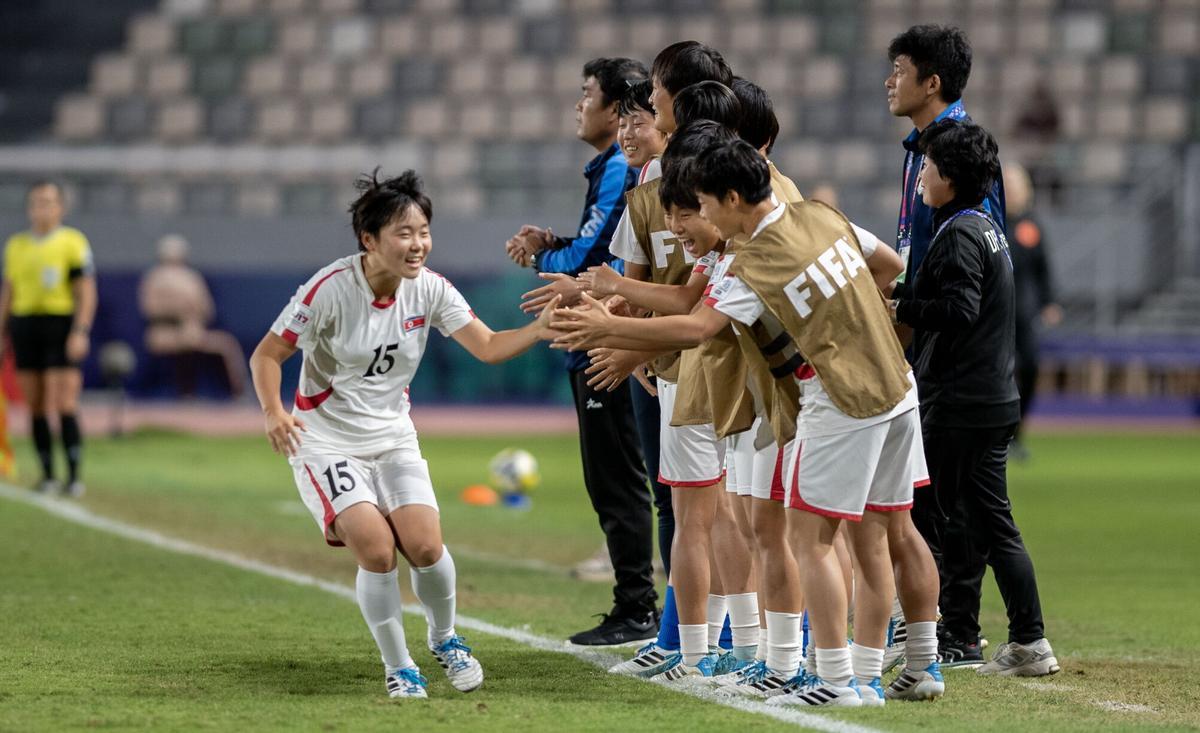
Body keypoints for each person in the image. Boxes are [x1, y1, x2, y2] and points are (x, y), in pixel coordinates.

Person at [553, 140, 943, 707]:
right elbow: (890, 267)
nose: (702, 218)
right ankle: (869, 677)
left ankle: (835, 681)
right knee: (877, 538)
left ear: (734, 198)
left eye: (706, 205)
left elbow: (695, 328)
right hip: (898, 388)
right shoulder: (822, 215)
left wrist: (604, 331)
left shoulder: (751, 263)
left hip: (839, 400)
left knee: (811, 540)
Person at [248, 170, 559, 699]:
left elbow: (485, 346)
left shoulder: (431, 288)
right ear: (369, 241)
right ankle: (400, 666)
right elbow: (267, 353)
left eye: (423, 231)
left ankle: (446, 638)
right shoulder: (328, 289)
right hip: (326, 441)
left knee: (425, 545)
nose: (417, 245)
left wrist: (538, 329)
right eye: (403, 233)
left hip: (393, 437)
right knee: (376, 549)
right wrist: (274, 413)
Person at [889, 121, 1059, 677]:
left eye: (931, 168)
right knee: (993, 523)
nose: (922, 178)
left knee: (926, 519)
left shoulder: (960, 233)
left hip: (962, 400)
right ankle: (1029, 641)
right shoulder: (986, 227)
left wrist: (903, 310)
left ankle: (927, 639)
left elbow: (959, 309)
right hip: (992, 398)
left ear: (952, 177)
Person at [504, 57, 661, 647]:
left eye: (587, 94)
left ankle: (638, 608)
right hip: (602, 337)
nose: (579, 104)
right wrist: (554, 243)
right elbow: (593, 247)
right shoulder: (610, 168)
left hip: (611, 340)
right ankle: (642, 606)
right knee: (617, 480)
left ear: (620, 108)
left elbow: (591, 263)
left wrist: (548, 256)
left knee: (620, 480)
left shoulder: (624, 168)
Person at [885, 24, 1005, 295]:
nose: (889, 82)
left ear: (932, 83)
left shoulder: (965, 152)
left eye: (899, 71)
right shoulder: (917, 147)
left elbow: (984, 255)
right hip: (924, 319)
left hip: (953, 326)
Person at [0, 181, 96, 497]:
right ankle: (47, 474)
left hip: (59, 324)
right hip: (25, 325)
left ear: (60, 207)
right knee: (35, 404)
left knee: (64, 400)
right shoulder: (16, 246)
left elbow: (85, 291)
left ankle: (73, 475)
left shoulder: (72, 242)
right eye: (36, 202)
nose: (41, 207)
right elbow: (9, 292)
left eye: (48, 201)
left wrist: (80, 330)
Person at [139, 234, 248, 397]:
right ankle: (186, 393)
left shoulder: (191, 277)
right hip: (163, 333)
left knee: (226, 345)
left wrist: (191, 316)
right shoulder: (155, 277)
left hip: (192, 331)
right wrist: (178, 312)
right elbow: (149, 309)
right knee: (187, 348)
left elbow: (206, 309)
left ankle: (237, 393)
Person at [1003, 162, 1061, 459]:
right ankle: (1000, 434)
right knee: (1002, 371)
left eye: (1016, 186)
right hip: (998, 312)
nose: (1012, 192)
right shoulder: (993, 221)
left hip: (1024, 311)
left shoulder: (1032, 226)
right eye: (1008, 186)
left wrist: (1050, 302)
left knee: (1032, 367)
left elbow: (1043, 268)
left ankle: (1018, 432)